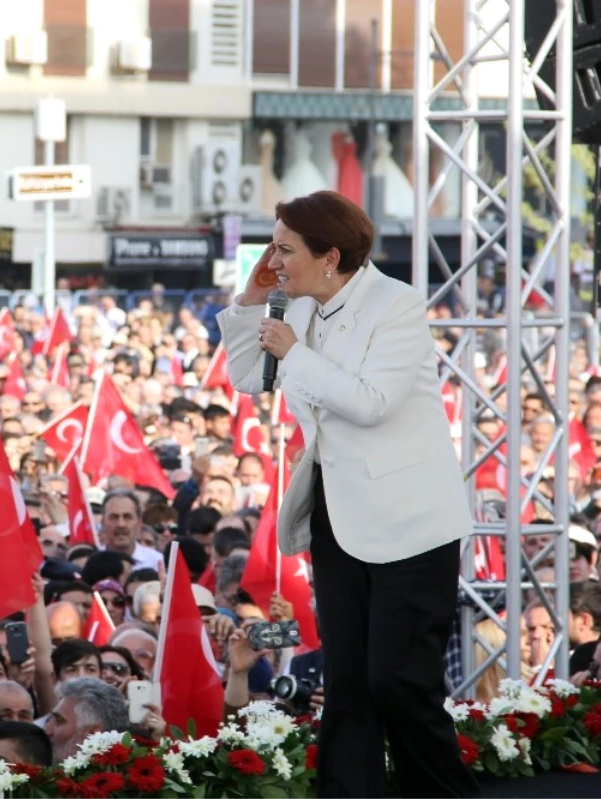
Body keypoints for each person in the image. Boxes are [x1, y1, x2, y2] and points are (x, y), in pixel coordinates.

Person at [218, 190, 478, 799]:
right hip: (338, 517)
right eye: (272, 245)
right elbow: (249, 378)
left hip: (411, 524)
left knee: (398, 682)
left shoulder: (397, 304)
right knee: (348, 681)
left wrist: (295, 353)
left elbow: (371, 403)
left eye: (284, 248)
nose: (273, 258)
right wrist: (252, 302)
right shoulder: (298, 306)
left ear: (329, 255)